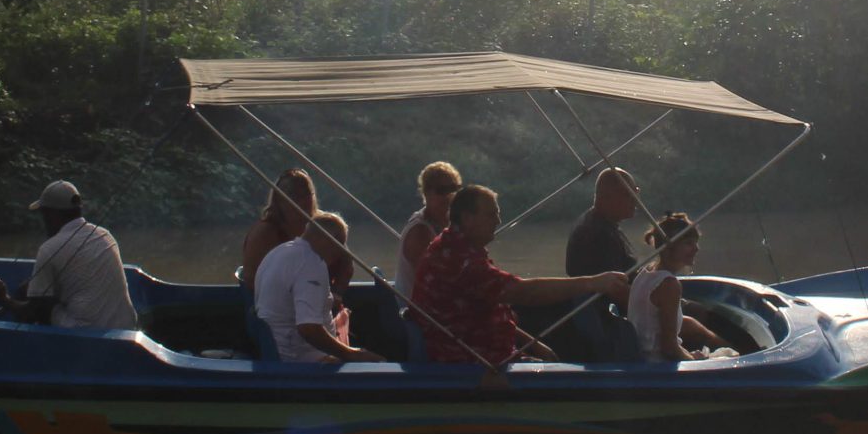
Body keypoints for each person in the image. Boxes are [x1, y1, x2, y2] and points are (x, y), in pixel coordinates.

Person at [412, 184, 628, 367]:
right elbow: (524, 292)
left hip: (487, 353)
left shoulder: (452, 244)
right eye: (491, 214)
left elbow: (494, 306)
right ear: (467, 218)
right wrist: (594, 282)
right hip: (473, 366)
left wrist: (533, 343)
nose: (498, 221)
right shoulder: (459, 260)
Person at [255, 211, 382, 364]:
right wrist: (351, 354)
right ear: (328, 240)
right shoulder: (311, 263)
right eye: (339, 244)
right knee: (379, 363)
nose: (339, 253)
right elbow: (308, 328)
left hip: (277, 350)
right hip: (301, 359)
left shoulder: (279, 252)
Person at [12, 180, 136, 330]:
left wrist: (3, 300)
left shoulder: (49, 249)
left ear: (52, 214)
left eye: (44, 214)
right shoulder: (105, 234)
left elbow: (34, 311)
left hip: (86, 334)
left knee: (43, 308)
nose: (43, 220)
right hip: (126, 327)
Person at [627, 213, 725, 362]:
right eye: (688, 243)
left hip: (643, 359)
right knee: (731, 356)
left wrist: (690, 354)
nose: (696, 249)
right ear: (669, 247)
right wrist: (695, 362)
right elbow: (669, 349)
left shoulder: (645, 274)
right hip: (659, 368)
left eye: (696, 243)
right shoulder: (668, 284)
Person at [239, 168, 318, 293]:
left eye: (307, 194)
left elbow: (345, 264)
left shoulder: (322, 227)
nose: (303, 201)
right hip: (271, 306)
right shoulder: (264, 232)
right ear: (279, 200)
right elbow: (250, 279)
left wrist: (337, 291)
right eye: (295, 196)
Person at [397, 160, 463, 296]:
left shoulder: (451, 224)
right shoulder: (420, 231)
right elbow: (433, 282)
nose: (449, 196)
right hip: (415, 310)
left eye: (454, 189)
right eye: (442, 190)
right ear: (426, 193)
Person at [564, 165, 642, 277]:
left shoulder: (603, 223)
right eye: (628, 194)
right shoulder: (598, 234)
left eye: (636, 192)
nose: (635, 200)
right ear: (606, 197)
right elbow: (616, 286)